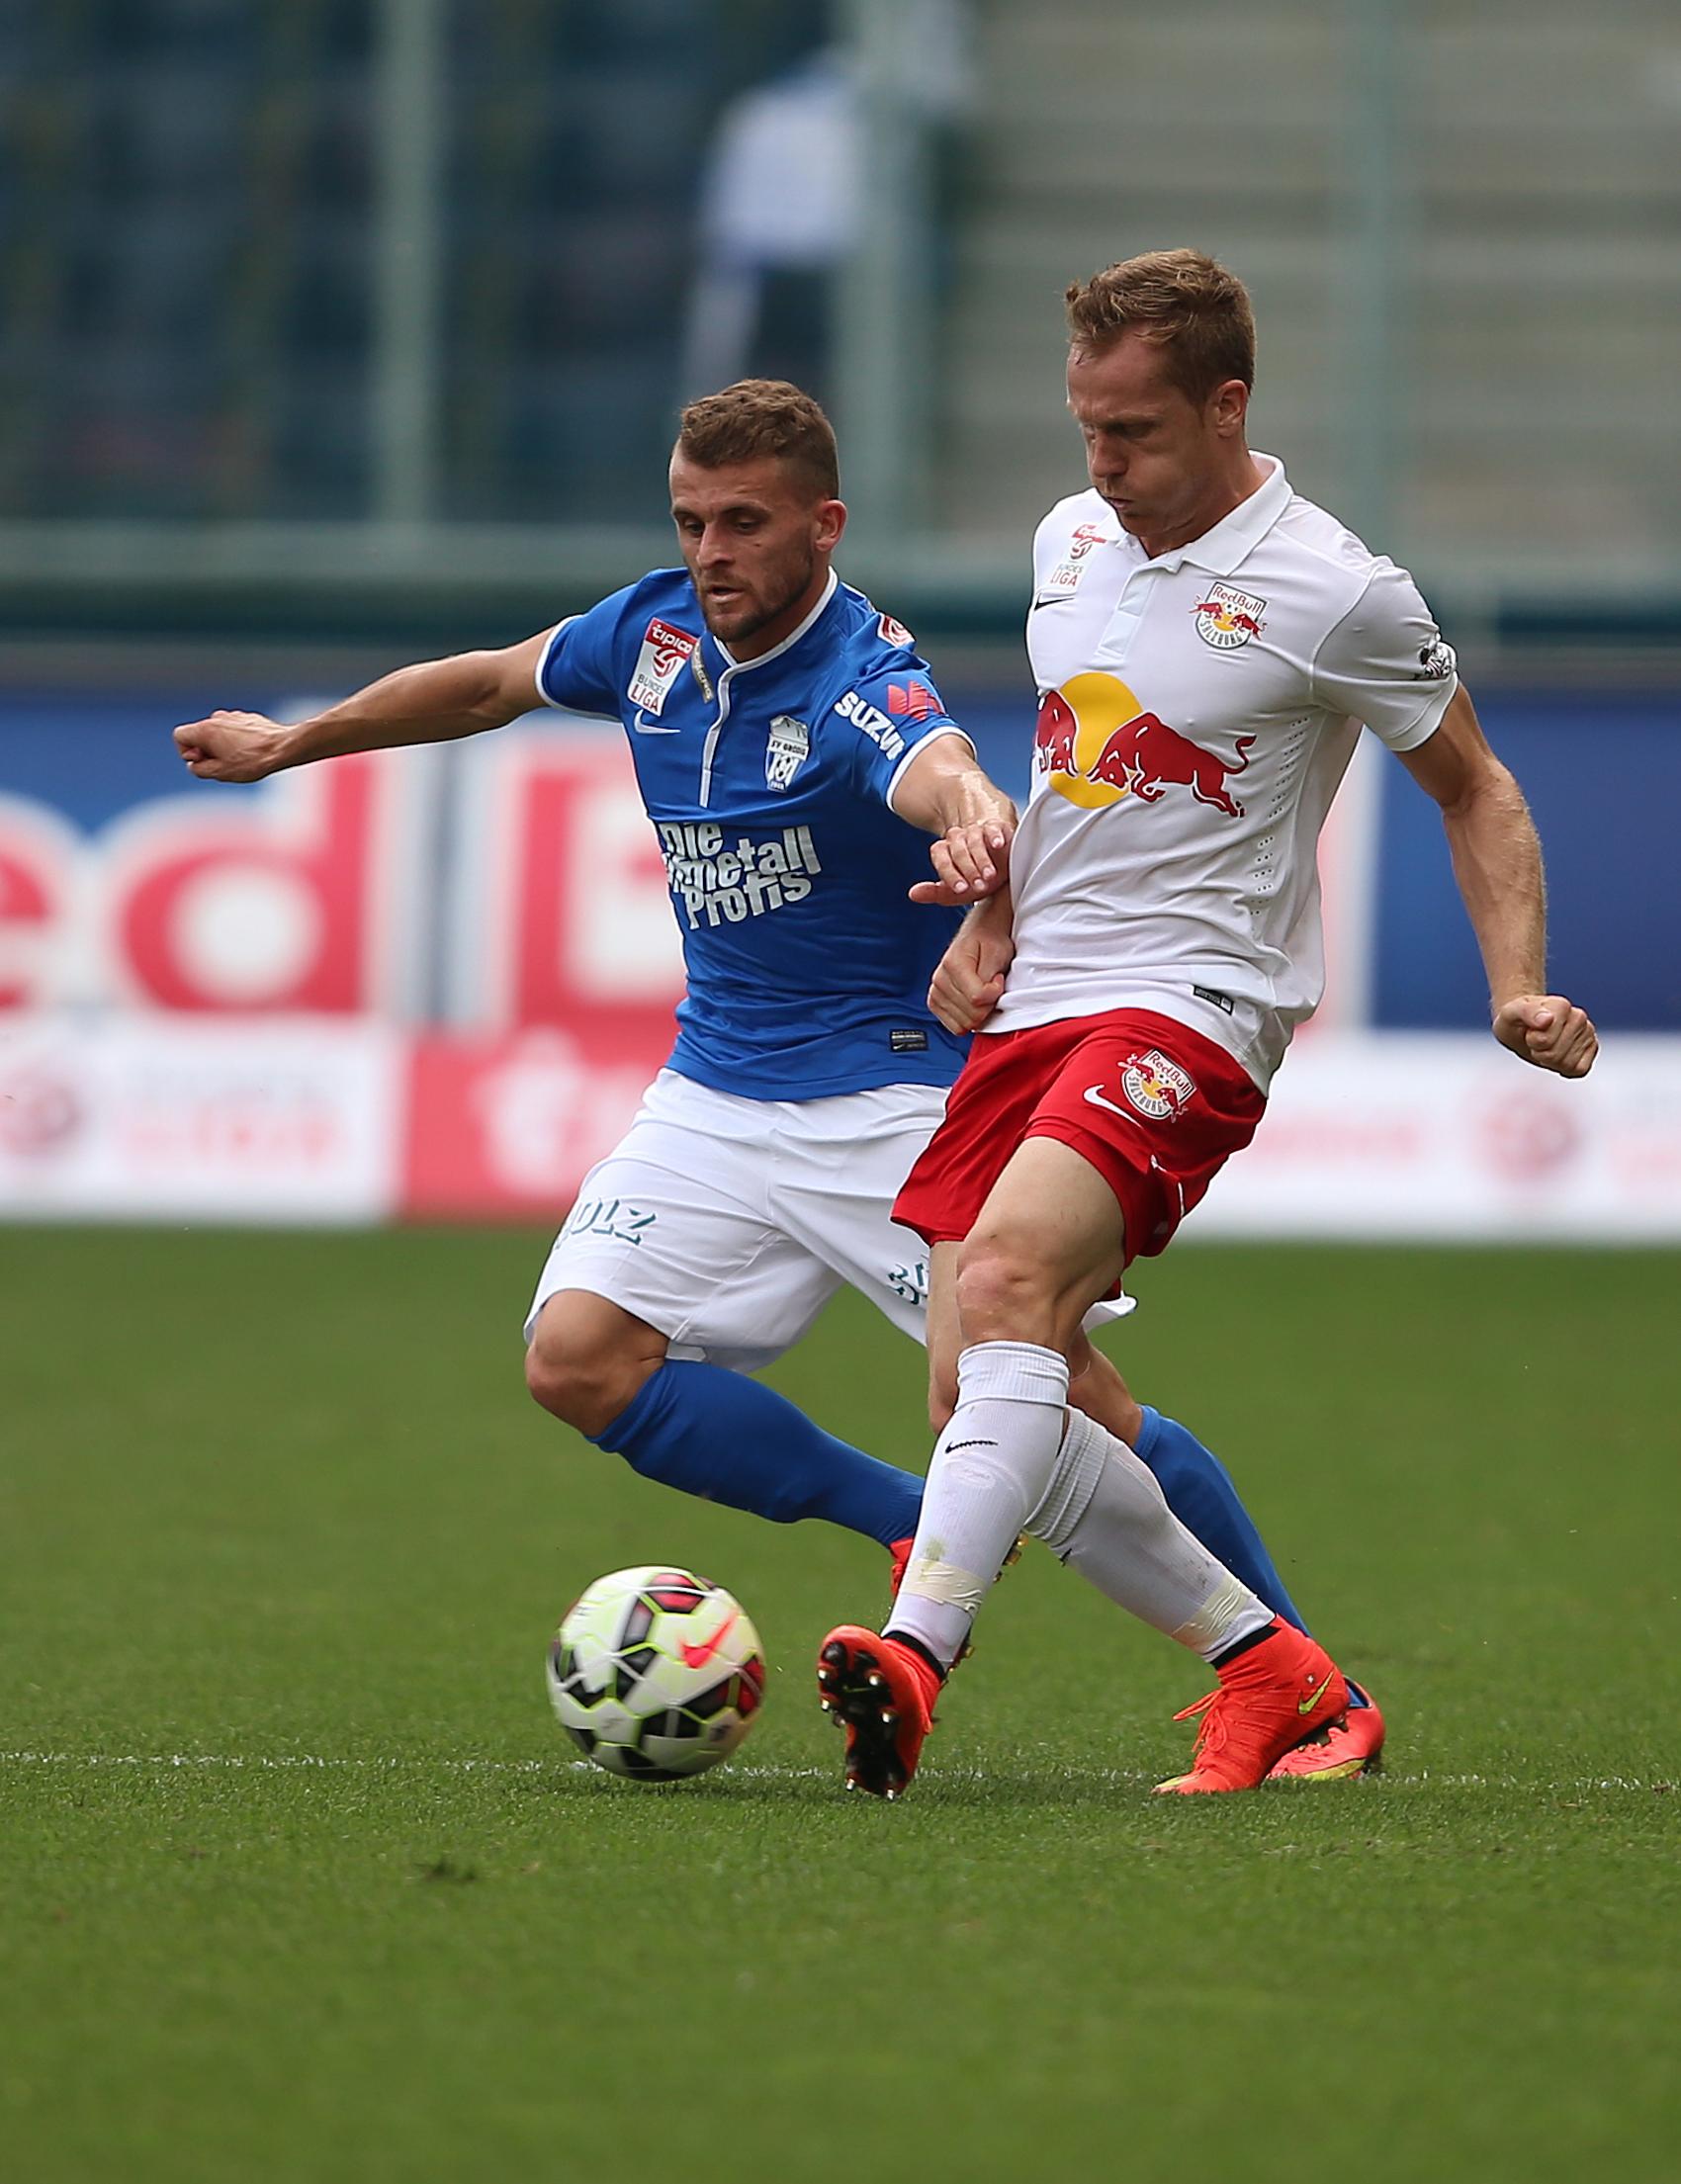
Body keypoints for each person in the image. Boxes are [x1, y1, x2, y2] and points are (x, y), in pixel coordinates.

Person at [175, 376, 1369, 1778]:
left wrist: (974, 824)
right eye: (692, 520)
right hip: (715, 1089)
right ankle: (907, 1518)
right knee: (576, 1358)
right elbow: (493, 681)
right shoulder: (652, 634)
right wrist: (295, 742)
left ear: (824, 525)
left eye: (744, 522)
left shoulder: (862, 677)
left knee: (1064, 1398)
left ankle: (1311, 1684)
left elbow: (946, 770)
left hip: (890, 1101)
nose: (711, 551)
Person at [816, 252, 1598, 1799]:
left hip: (1197, 1002)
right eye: (1086, 428)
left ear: (1227, 406)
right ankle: (1275, 1670)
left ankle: (915, 1655)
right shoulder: (1069, 540)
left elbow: (1477, 788)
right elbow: (1077, 772)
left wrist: (1516, 981)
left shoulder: (1334, 589)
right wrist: (993, 912)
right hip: (1036, 1005)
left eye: (1136, 432)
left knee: (1009, 1279)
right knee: (988, 1389)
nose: (1102, 464)